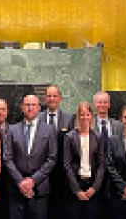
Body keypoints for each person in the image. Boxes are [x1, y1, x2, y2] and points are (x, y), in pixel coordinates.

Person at [3, 94, 57, 219]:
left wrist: (33, 180)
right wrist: (21, 182)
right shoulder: (12, 129)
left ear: (39, 108)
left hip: (39, 190)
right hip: (16, 189)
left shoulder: (49, 130)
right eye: (27, 105)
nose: (30, 108)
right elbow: (7, 158)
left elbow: (52, 159)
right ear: (22, 107)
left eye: (33, 105)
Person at [63, 102, 106, 219]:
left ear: (91, 116)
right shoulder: (69, 137)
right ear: (78, 116)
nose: (85, 117)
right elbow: (67, 165)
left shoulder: (98, 137)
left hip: (92, 186)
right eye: (82, 114)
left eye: (87, 114)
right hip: (75, 185)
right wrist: (77, 190)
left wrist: (95, 188)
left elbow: (102, 164)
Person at [37, 85, 75, 219]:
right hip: (42, 171)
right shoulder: (37, 117)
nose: (51, 99)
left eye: (54, 96)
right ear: (44, 98)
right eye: (49, 96)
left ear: (60, 98)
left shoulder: (70, 118)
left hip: (62, 173)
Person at [92, 91, 122, 219]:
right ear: (95, 104)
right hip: (94, 174)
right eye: (99, 102)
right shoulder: (88, 124)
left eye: (105, 102)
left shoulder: (118, 126)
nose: (102, 105)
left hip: (114, 174)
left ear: (109, 104)